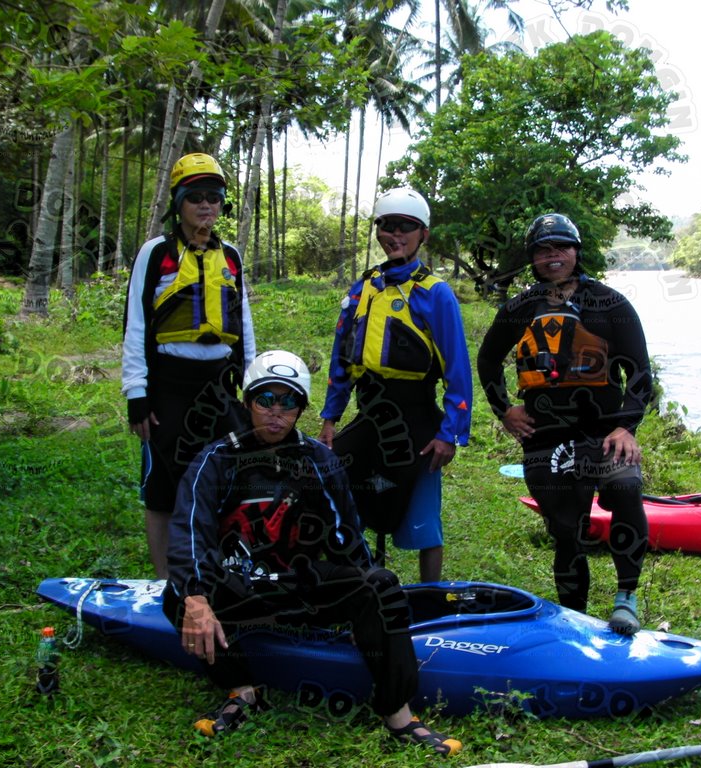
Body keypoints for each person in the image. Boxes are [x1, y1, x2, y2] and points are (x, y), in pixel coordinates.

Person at [162, 350, 462, 757]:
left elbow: (346, 533)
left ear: (301, 408)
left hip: (301, 585)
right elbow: (188, 531)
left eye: (288, 402)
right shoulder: (215, 460)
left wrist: (363, 606)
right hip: (242, 589)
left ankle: (399, 713)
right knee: (177, 598)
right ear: (247, 402)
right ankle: (243, 690)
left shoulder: (318, 459)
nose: (275, 411)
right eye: (265, 399)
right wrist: (196, 598)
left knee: (380, 585)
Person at [476, 213, 653, 635]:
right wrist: (505, 410)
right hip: (546, 436)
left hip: (604, 429)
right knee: (565, 528)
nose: (553, 255)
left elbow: (641, 374)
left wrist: (626, 427)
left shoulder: (610, 304)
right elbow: (487, 361)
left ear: (576, 252)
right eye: (542, 249)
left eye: (561, 247)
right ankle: (575, 618)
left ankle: (626, 596)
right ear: (532, 258)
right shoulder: (520, 307)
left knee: (625, 487)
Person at [318, 188, 472, 583]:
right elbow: (342, 359)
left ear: (423, 234)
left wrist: (449, 435)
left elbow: (458, 371)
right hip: (371, 414)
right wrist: (331, 417)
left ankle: (431, 597)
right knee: (332, 479)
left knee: (422, 515)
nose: (395, 234)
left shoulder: (435, 293)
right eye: (387, 225)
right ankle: (356, 579)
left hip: (418, 418)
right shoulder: (362, 288)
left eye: (406, 227)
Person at [121, 152, 256, 579]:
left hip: (219, 387)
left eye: (213, 198)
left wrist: (251, 383)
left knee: (226, 478)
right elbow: (136, 323)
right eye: (195, 197)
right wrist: (136, 393)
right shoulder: (156, 253)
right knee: (163, 487)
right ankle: (164, 579)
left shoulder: (230, 256)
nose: (205, 206)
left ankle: (213, 566)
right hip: (169, 387)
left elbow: (244, 323)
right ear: (178, 203)